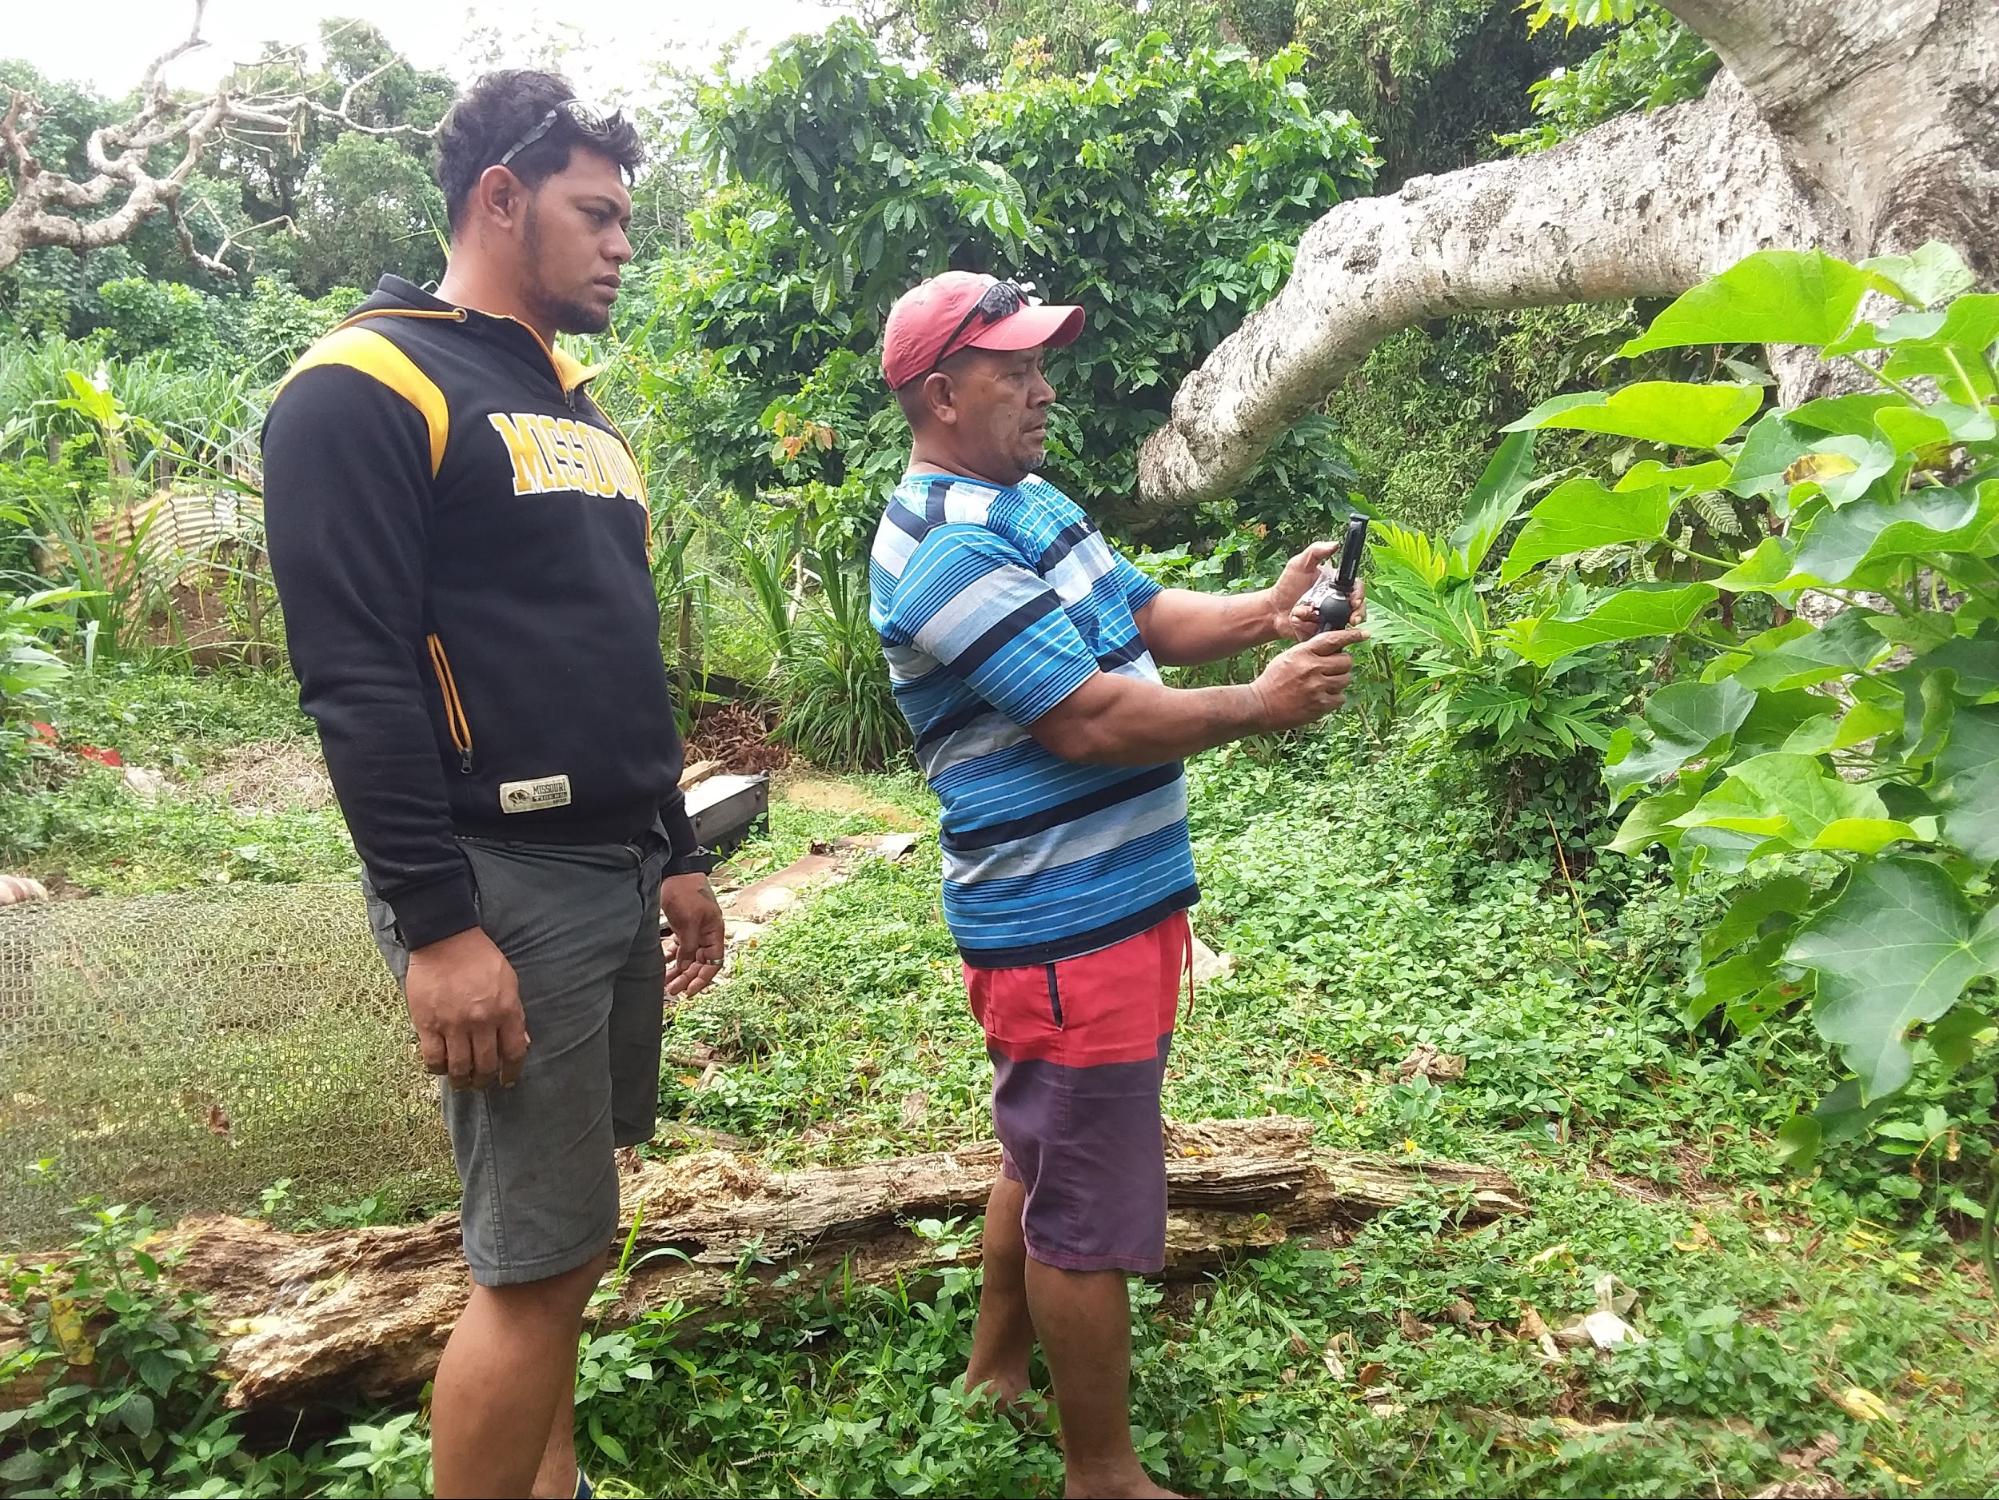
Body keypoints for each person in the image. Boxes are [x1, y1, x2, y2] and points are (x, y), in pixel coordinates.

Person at [260, 72, 726, 1500]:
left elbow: (612, 649)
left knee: (571, 1233)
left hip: (613, 865)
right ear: (499, 199)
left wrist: (674, 846)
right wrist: (436, 926)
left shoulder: (576, 408)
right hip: (496, 883)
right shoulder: (365, 384)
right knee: (533, 1263)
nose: (620, 246)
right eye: (595, 214)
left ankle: (552, 1481)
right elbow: (356, 679)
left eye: (627, 219)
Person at [869, 271, 1367, 1500]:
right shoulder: (944, 549)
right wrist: (1259, 706)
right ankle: (1101, 1474)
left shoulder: (1025, 501)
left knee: (1044, 1152)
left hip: (1106, 911)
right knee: (1083, 1197)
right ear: (941, 392)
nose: (1043, 391)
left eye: (1042, 366)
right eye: (1015, 372)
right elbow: (1085, 721)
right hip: (1058, 926)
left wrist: (1261, 614)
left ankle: (996, 1368)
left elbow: (1138, 614)